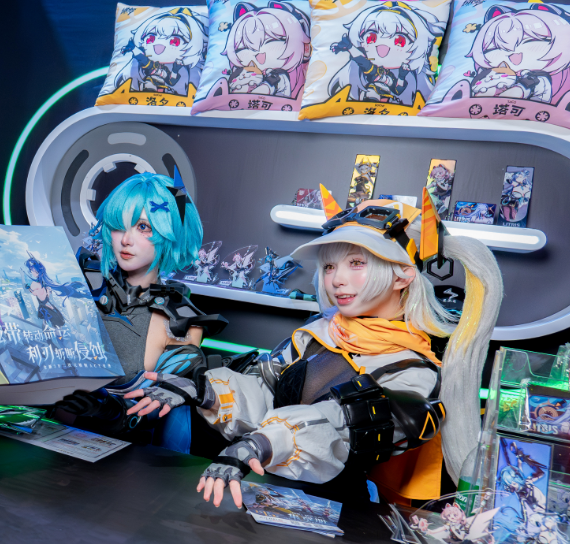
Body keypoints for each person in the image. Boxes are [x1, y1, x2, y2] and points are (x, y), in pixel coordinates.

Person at [126, 194, 502, 507]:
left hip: (345, 516)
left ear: (403, 275)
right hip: (265, 493)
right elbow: (265, 390)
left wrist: (261, 443)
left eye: (357, 263)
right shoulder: (316, 334)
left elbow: (341, 425)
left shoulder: (413, 368)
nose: (337, 279)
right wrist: (203, 389)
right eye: (330, 266)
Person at [53, 171, 226, 446]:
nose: (126, 239)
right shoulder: (83, 292)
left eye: (143, 227)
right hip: (56, 439)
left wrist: (108, 410)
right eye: (119, 226)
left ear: (171, 233)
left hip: (131, 452)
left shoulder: (181, 319)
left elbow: (167, 407)